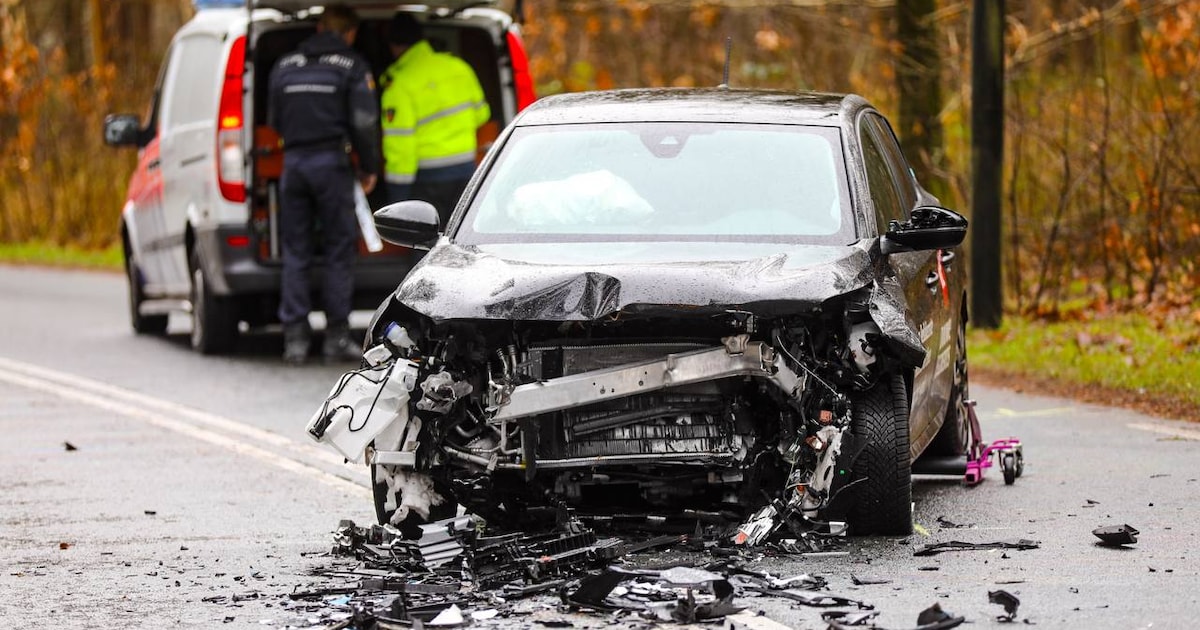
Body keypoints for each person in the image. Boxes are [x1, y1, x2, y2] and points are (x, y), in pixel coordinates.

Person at [268, 4, 380, 364]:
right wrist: (369, 167)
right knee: (337, 250)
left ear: (318, 28)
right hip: (331, 164)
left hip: (294, 164)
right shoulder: (352, 67)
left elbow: (274, 120)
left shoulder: (284, 67)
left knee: (296, 251)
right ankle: (335, 338)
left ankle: (295, 340)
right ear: (349, 34)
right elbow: (364, 123)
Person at [380, 13, 490, 225]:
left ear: (393, 46)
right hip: (467, 170)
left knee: (426, 242)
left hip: (429, 179)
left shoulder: (399, 84)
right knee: (460, 239)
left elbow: (400, 144)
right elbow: (482, 115)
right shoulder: (458, 66)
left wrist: (398, 195)